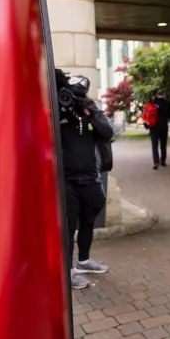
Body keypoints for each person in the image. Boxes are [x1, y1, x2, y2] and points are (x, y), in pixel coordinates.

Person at [57, 69, 113, 290]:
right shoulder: (59, 109)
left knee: (89, 219)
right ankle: (68, 271)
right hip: (67, 180)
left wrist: (89, 109)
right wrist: (62, 106)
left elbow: (106, 132)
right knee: (69, 227)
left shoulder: (89, 110)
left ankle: (84, 261)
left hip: (90, 177)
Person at [151, 89, 170, 169]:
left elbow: (147, 114)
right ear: (164, 94)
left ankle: (156, 162)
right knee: (163, 144)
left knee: (154, 145)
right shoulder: (167, 103)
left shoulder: (153, 102)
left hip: (153, 127)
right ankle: (163, 161)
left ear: (157, 94)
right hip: (163, 127)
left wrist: (147, 125)